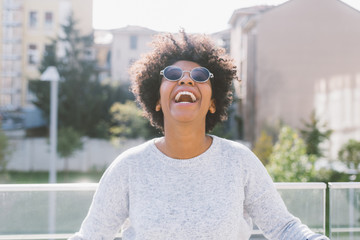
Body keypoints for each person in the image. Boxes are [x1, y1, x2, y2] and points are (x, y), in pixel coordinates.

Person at [69, 31, 329, 240]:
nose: (186, 80)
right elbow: (91, 236)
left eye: (199, 75)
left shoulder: (239, 161)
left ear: (213, 102)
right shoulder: (129, 166)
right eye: (172, 74)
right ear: (157, 99)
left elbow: (283, 229)